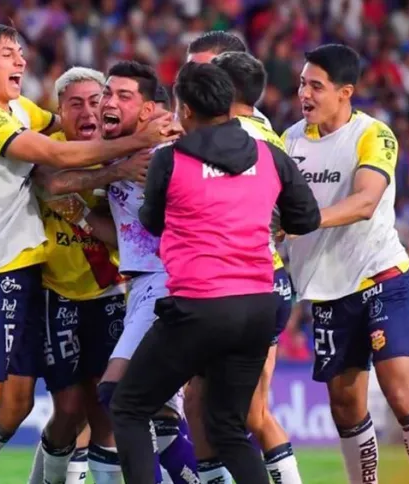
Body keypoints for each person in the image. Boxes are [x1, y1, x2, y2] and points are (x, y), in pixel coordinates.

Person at [0, 23, 176, 484]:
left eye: (21, 52)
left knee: (23, 402)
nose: (21, 61)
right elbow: (52, 162)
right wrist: (132, 150)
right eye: (9, 54)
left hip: (38, 275)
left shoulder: (14, 109)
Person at [110, 61, 320, 484]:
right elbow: (307, 218)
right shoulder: (269, 155)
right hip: (258, 309)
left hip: (200, 307)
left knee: (128, 406)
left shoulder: (170, 161)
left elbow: (152, 223)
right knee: (228, 427)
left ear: (184, 110)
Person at [281, 43, 409, 484]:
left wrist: (303, 222)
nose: (304, 94)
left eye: (316, 86)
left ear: (345, 92)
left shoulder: (373, 134)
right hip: (328, 291)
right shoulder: (289, 141)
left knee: (399, 391)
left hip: (381, 276)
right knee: (345, 406)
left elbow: (366, 200)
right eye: (301, 84)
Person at [176, 51, 302, 484]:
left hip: (235, 283)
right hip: (270, 280)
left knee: (233, 411)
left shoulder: (228, 137)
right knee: (219, 406)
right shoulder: (269, 133)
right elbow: (292, 216)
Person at [26, 66, 148, 484]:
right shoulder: (47, 149)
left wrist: (82, 212)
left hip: (109, 293)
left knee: (107, 410)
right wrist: (112, 175)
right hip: (56, 294)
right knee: (69, 409)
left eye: (95, 101)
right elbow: (51, 183)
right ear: (60, 110)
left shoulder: (119, 150)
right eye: (75, 103)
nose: (87, 111)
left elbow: (123, 235)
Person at [87, 61, 199, 484]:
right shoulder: (121, 153)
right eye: (107, 94)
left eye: (123, 96)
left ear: (151, 110)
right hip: (143, 283)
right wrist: (82, 213)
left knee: (117, 395)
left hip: (167, 282)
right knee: (164, 418)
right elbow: (123, 234)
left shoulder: (163, 156)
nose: (108, 103)